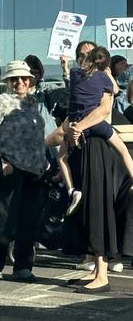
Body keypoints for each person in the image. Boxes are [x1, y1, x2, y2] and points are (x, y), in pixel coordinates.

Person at [0, 61, 47, 282]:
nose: (20, 82)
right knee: (5, 219)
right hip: (11, 167)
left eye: (24, 78)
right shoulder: (1, 102)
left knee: (29, 221)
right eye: (14, 79)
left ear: (30, 81)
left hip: (35, 169)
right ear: (8, 82)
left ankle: (23, 267)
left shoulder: (33, 102)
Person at [57, 47, 133, 215]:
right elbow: (115, 91)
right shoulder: (104, 78)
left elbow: (69, 78)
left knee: (62, 157)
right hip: (96, 123)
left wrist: (65, 65)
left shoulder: (76, 73)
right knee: (122, 150)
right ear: (107, 64)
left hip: (76, 123)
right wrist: (107, 73)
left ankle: (72, 190)